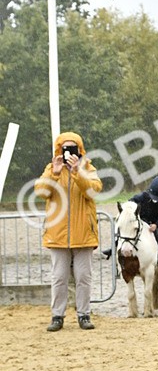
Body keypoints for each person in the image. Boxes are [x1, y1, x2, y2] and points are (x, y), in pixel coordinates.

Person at [35, 131, 103, 331]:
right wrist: (54, 173)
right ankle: (57, 316)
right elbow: (41, 192)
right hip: (58, 234)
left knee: (84, 277)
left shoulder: (87, 168)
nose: (69, 151)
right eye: (65, 148)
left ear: (80, 150)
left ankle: (84, 314)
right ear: (59, 150)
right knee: (59, 277)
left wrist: (77, 172)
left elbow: (94, 190)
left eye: (73, 148)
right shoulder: (51, 169)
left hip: (84, 233)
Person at [131, 175, 158, 266]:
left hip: (153, 224)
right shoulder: (142, 197)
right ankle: (114, 247)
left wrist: (156, 225)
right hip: (140, 221)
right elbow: (130, 203)